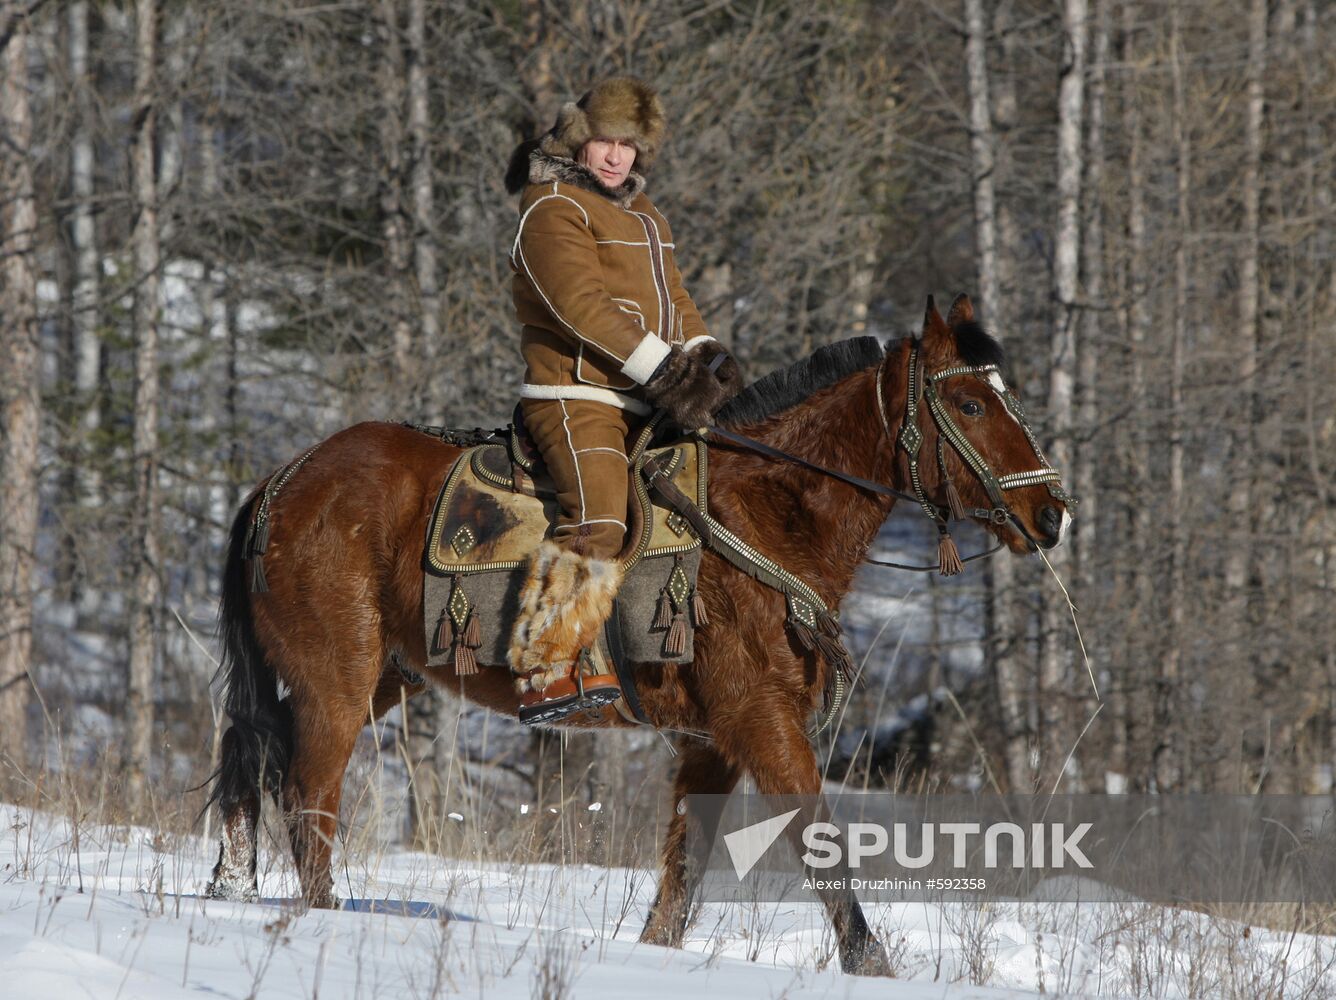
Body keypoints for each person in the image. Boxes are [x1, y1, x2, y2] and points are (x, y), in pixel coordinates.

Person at [504, 76, 741, 725]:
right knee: (601, 517)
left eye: (629, 146)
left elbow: (674, 303)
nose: (615, 157)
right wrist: (666, 370)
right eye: (605, 141)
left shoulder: (647, 216)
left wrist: (710, 355)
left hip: (648, 398)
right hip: (575, 393)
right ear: (581, 139)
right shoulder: (551, 206)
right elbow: (580, 308)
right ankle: (547, 665)